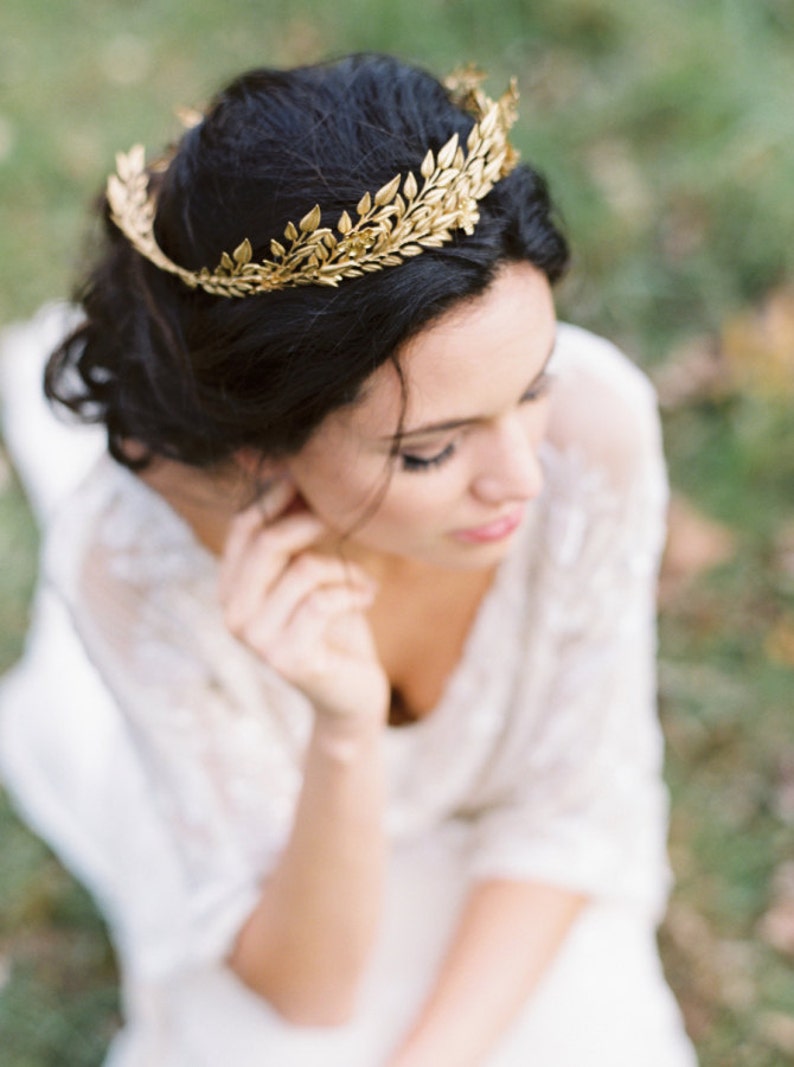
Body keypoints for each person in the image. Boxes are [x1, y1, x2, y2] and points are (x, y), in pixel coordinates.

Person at [0, 54, 698, 1066]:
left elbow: (571, 809)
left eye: (532, 382)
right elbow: (306, 987)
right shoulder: (128, 568)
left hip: (517, 885)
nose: (521, 480)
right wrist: (340, 726)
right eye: (431, 450)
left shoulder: (593, 434)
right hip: (291, 895)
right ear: (263, 445)